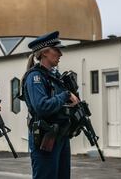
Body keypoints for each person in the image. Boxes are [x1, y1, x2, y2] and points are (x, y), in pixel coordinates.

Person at [22, 31, 79, 179]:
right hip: (45, 138)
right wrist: (65, 95)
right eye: (57, 50)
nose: (60, 54)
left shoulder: (54, 78)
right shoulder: (36, 77)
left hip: (60, 136)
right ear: (46, 52)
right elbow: (42, 107)